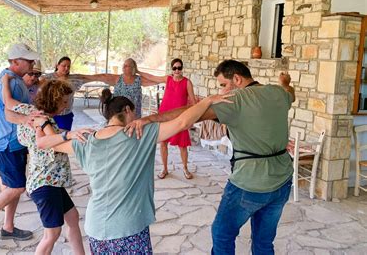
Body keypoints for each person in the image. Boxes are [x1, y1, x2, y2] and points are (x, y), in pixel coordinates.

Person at [126, 59, 295, 255]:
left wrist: (151, 118)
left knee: (222, 233)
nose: (221, 92)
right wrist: (285, 82)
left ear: (237, 79)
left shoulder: (236, 100)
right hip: (282, 180)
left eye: (223, 85)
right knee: (264, 241)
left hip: (250, 183)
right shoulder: (277, 93)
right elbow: (290, 93)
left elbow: (187, 114)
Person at [33, 88, 232, 254]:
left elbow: (47, 144)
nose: (136, 118)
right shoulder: (139, 135)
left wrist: (45, 125)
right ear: (127, 110)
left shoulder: (87, 140)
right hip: (129, 228)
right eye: (135, 113)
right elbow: (183, 122)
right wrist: (208, 100)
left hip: (96, 229)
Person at [0, 74, 91, 255]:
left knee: (72, 217)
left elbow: (8, 104)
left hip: (52, 181)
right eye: (64, 101)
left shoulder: (31, 112)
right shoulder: (42, 121)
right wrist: (69, 135)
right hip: (44, 183)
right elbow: (44, 142)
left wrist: (4, 82)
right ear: (54, 100)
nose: (65, 106)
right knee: (52, 233)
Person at [0, 43, 39, 245]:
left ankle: (8, 227)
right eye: (27, 60)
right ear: (14, 61)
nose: (32, 63)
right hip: (7, 142)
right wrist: (28, 117)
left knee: (13, 185)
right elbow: (8, 109)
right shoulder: (10, 80)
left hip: (14, 142)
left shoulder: (11, 79)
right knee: (17, 187)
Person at [140, 58, 196, 179]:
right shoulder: (168, 79)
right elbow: (152, 77)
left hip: (180, 116)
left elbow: (193, 101)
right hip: (164, 115)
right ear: (172, 69)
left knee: (182, 145)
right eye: (174, 68)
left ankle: (185, 168)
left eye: (179, 68)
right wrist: (139, 71)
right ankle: (164, 168)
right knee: (163, 143)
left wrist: (192, 118)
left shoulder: (187, 82)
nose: (177, 70)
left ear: (182, 69)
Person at [81, 58, 161, 118]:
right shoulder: (117, 79)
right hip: (117, 114)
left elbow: (155, 79)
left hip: (133, 116)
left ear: (133, 68)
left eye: (127, 65)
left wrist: (138, 71)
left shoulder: (138, 80)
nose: (123, 66)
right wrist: (82, 78)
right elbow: (102, 76)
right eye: (124, 65)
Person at [40, 57, 86, 131]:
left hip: (66, 115)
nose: (66, 68)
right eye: (64, 66)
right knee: (50, 137)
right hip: (50, 114)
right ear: (57, 66)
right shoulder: (47, 78)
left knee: (64, 136)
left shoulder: (73, 79)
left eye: (68, 66)